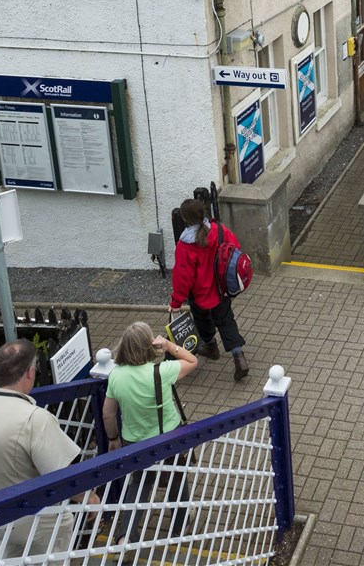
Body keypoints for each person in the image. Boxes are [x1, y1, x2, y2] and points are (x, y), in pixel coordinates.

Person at [0, 339, 88, 555]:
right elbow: (68, 477)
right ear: (30, 372)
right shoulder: (34, 418)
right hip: (32, 523)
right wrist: (92, 498)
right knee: (59, 525)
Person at [101, 322, 199, 542]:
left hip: (133, 440)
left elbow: (108, 414)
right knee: (176, 477)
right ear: (149, 346)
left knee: (140, 481)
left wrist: (113, 438)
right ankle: (180, 523)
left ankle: (126, 535)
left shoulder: (116, 376)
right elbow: (192, 360)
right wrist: (168, 344)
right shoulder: (162, 371)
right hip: (169, 437)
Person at [170, 198, 250, 381]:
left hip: (200, 295)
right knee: (226, 321)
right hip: (222, 289)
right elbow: (235, 248)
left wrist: (176, 302)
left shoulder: (185, 246)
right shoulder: (219, 230)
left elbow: (183, 277)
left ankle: (211, 347)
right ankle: (239, 357)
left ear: (185, 219)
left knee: (203, 320)